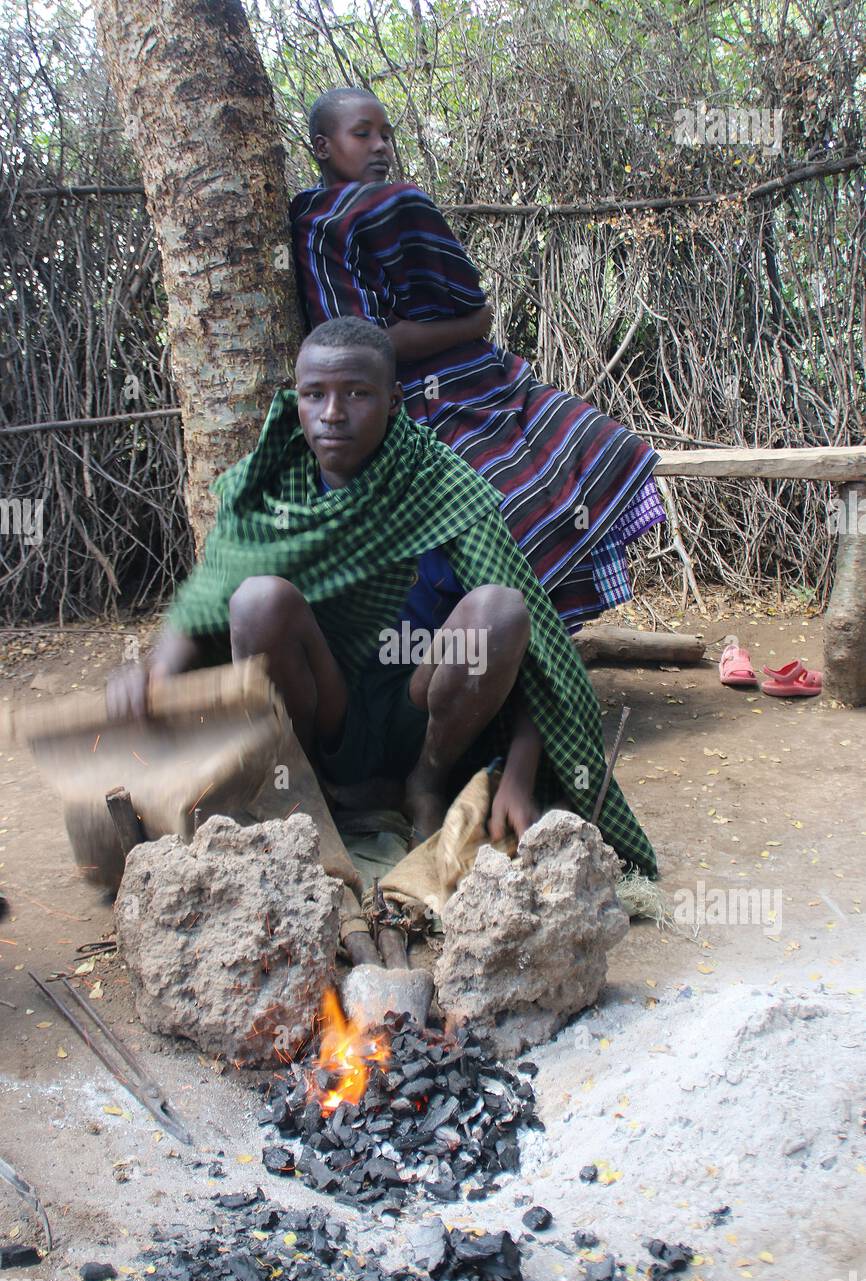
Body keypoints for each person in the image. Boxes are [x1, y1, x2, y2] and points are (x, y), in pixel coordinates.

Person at [108, 317, 655, 876]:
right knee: (256, 601)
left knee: (501, 611)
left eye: (357, 394)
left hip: (422, 711)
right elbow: (206, 598)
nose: (332, 414)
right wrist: (154, 675)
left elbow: (539, 648)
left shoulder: (439, 482)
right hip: (324, 711)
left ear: (394, 401)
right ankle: (305, 791)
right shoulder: (270, 481)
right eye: (314, 395)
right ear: (295, 400)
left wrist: (519, 771)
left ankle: (425, 787)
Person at [291, 87, 666, 635]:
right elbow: (364, 348)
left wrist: (470, 326)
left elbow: (439, 294)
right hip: (407, 396)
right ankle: (509, 642)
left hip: (479, 379)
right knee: (498, 504)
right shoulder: (329, 219)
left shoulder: (384, 205)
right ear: (322, 146)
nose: (381, 148)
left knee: (599, 444)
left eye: (387, 135)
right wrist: (472, 323)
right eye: (363, 133)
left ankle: (533, 640)